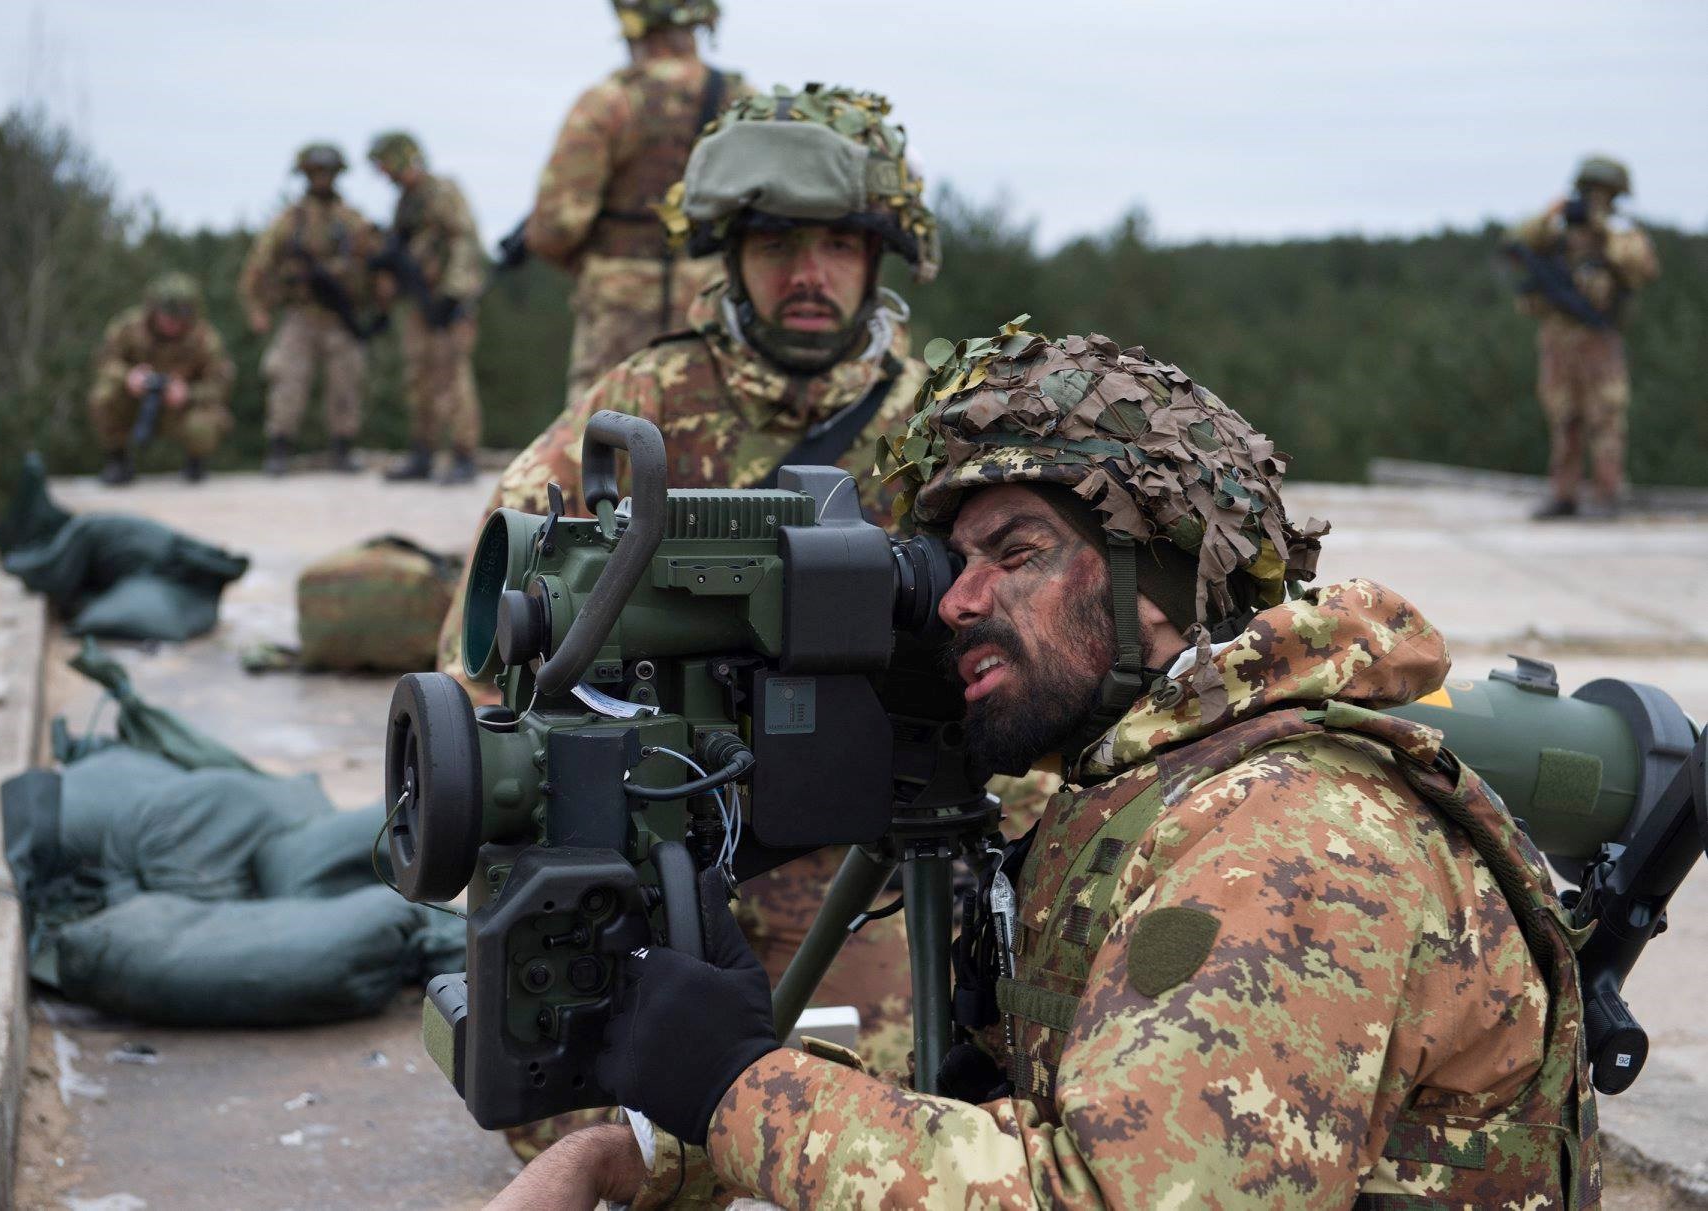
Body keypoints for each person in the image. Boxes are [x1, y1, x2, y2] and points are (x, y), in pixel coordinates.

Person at [489, 321, 1601, 1210]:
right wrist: (647, 1158)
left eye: (1016, 553)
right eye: (956, 561)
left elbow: (1115, 1193)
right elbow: (1040, 1123)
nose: (961, 602)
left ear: (1157, 578)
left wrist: (738, 1088)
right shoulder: (1142, 788)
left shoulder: (1290, 834)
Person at [446, 82, 942, 1164]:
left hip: (862, 865)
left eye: (840, 244)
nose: (807, 275)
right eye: (775, 243)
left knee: (898, 1108)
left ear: (882, 254)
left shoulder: (941, 426)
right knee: (575, 1126)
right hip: (661, 852)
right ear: (728, 253)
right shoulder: (646, 399)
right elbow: (491, 632)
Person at [518, 0, 752, 410]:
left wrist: (593, 265)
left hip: (620, 300)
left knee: (604, 430)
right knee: (709, 429)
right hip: (715, 296)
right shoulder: (741, 102)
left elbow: (556, 223)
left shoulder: (609, 102)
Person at [1507, 155, 1660, 520]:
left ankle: (1608, 494)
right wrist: (1551, 214)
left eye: (1600, 194)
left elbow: (1643, 267)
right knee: (1563, 417)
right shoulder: (1559, 230)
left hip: (1599, 337)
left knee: (1605, 416)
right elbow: (1516, 243)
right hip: (1559, 339)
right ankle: (1564, 495)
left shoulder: (1619, 231)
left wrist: (1602, 228)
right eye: (1588, 192)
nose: (1592, 199)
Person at [238, 142, 380, 476]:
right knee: (287, 378)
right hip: (300, 314)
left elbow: (375, 263)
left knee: (346, 381)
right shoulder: (290, 220)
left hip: (340, 317)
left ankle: (343, 448)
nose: (322, 179)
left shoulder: (351, 220)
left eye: (327, 172)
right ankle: (279, 447)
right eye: (315, 172)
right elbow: (257, 266)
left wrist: (376, 300)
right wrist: (256, 308)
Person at [367, 131, 486, 485]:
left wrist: (454, 293)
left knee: (453, 377)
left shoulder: (441, 192)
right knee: (418, 377)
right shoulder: (407, 201)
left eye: (386, 164)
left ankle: (464, 455)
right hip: (418, 304)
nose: (384, 174)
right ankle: (423, 452)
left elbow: (464, 240)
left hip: (448, 302)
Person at [88, 272, 234, 486]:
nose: (172, 325)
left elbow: (221, 384)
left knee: (206, 420)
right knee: (103, 395)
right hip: (135, 403)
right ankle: (117, 461)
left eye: (179, 319)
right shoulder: (128, 328)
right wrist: (129, 377)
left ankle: (195, 462)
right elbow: (103, 361)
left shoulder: (206, 339)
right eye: (166, 317)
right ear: (152, 310)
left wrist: (187, 392)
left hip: (178, 409)